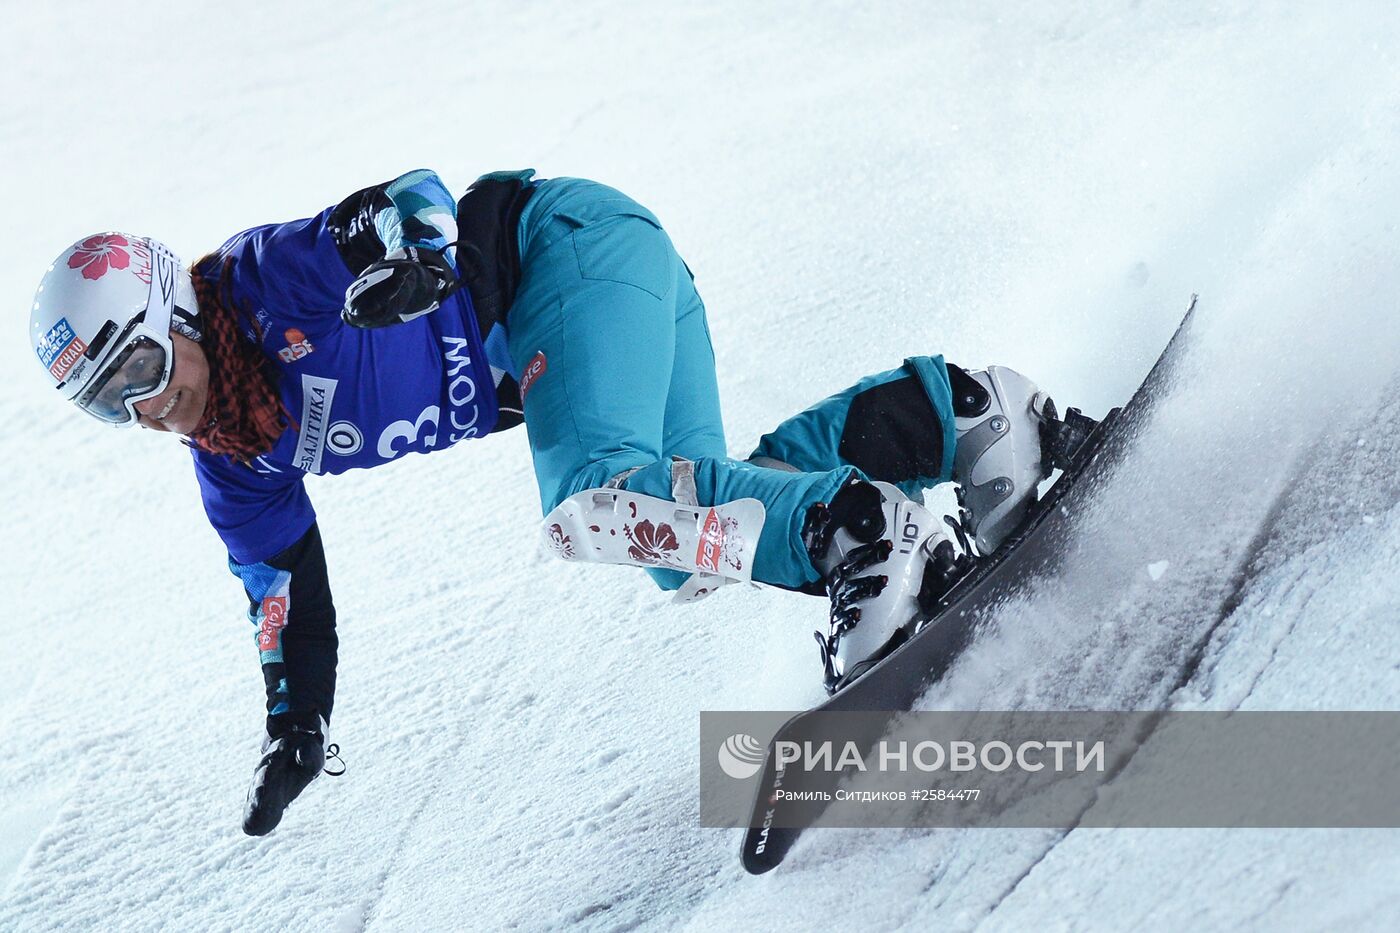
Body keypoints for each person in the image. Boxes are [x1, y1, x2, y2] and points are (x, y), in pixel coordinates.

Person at [28, 169, 1056, 836]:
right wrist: (295, 727)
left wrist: (416, 258)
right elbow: (280, 591)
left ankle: (862, 536)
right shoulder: (232, 463)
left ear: (175, 308)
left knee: (596, 505)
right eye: (114, 404)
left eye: (147, 366)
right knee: (681, 534)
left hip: (561, 258)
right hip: (600, 290)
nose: (154, 406)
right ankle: (959, 419)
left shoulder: (260, 282)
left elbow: (410, 201)